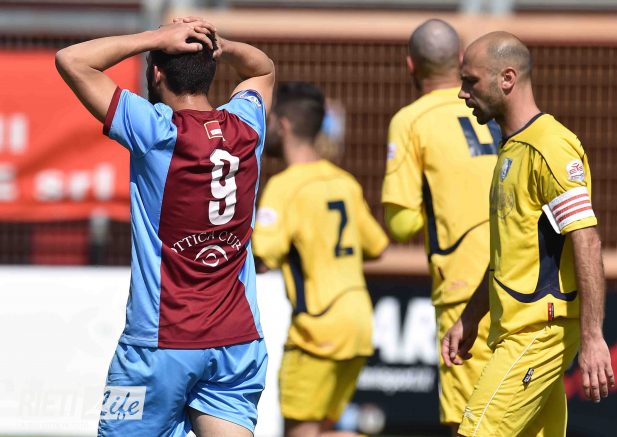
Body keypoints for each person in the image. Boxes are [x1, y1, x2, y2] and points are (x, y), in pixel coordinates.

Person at [56, 16, 274, 437]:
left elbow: (72, 60)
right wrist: (219, 44)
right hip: (237, 343)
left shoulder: (156, 129)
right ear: (211, 70)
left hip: (157, 346)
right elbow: (263, 69)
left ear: (156, 74)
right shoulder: (247, 124)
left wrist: (155, 37)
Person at [442, 31, 614, 436]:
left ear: (507, 78)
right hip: (516, 332)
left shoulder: (550, 147)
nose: (463, 94)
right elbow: (509, 256)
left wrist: (593, 337)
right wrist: (470, 316)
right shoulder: (513, 147)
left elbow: (586, 239)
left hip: (538, 332)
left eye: (471, 82)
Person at [381, 19, 500, 433]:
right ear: (461, 60)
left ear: (410, 66)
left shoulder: (411, 120)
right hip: (522, 279)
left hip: (463, 289)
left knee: (470, 421)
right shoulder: (495, 108)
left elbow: (401, 223)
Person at [252, 82, 388, 437]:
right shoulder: (345, 182)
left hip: (316, 327)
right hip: (358, 323)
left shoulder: (285, 187)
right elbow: (376, 245)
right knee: (322, 429)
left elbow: (262, 256)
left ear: (282, 125)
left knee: (300, 432)